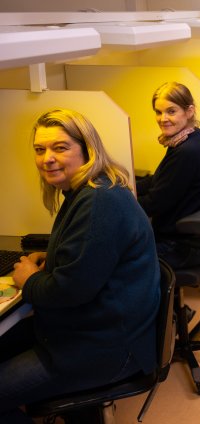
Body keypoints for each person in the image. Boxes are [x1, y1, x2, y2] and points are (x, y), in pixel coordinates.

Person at [0, 109, 160, 423]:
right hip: (98, 331)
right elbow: (90, 257)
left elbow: (70, 290)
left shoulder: (99, 202)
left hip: (105, 348)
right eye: (39, 149)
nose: (47, 158)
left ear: (87, 149)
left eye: (60, 147)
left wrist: (29, 280)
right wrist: (54, 258)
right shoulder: (92, 189)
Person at [137, 82, 200, 269]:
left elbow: (155, 203)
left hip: (179, 247)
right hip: (187, 241)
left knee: (115, 262)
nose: (163, 119)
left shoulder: (186, 152)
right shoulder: (191, 136)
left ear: (189, 111)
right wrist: (127, 186)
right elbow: (159, 179)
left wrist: (119, 204)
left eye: (171, 111)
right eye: (158, 112)